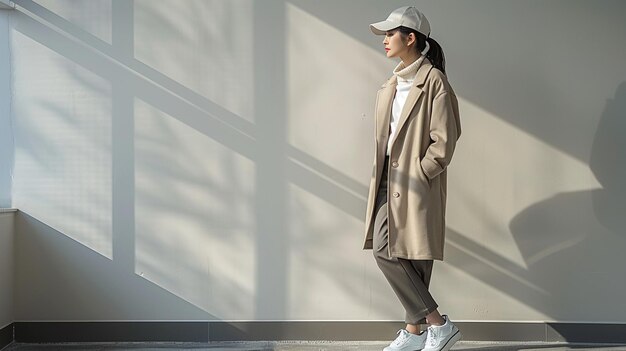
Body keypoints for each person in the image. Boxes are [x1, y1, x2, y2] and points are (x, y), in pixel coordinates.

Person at [363, 6, 462, 351]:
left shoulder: (434, 81)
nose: (385, 40)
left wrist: (421, 173)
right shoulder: (390, 85)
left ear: (411, 38)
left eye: (391, 34)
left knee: (413, 254)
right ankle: (423, 328)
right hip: (388, 179)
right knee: (388, 248)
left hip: (415, 180)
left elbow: (444, 140)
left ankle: (426, 328)